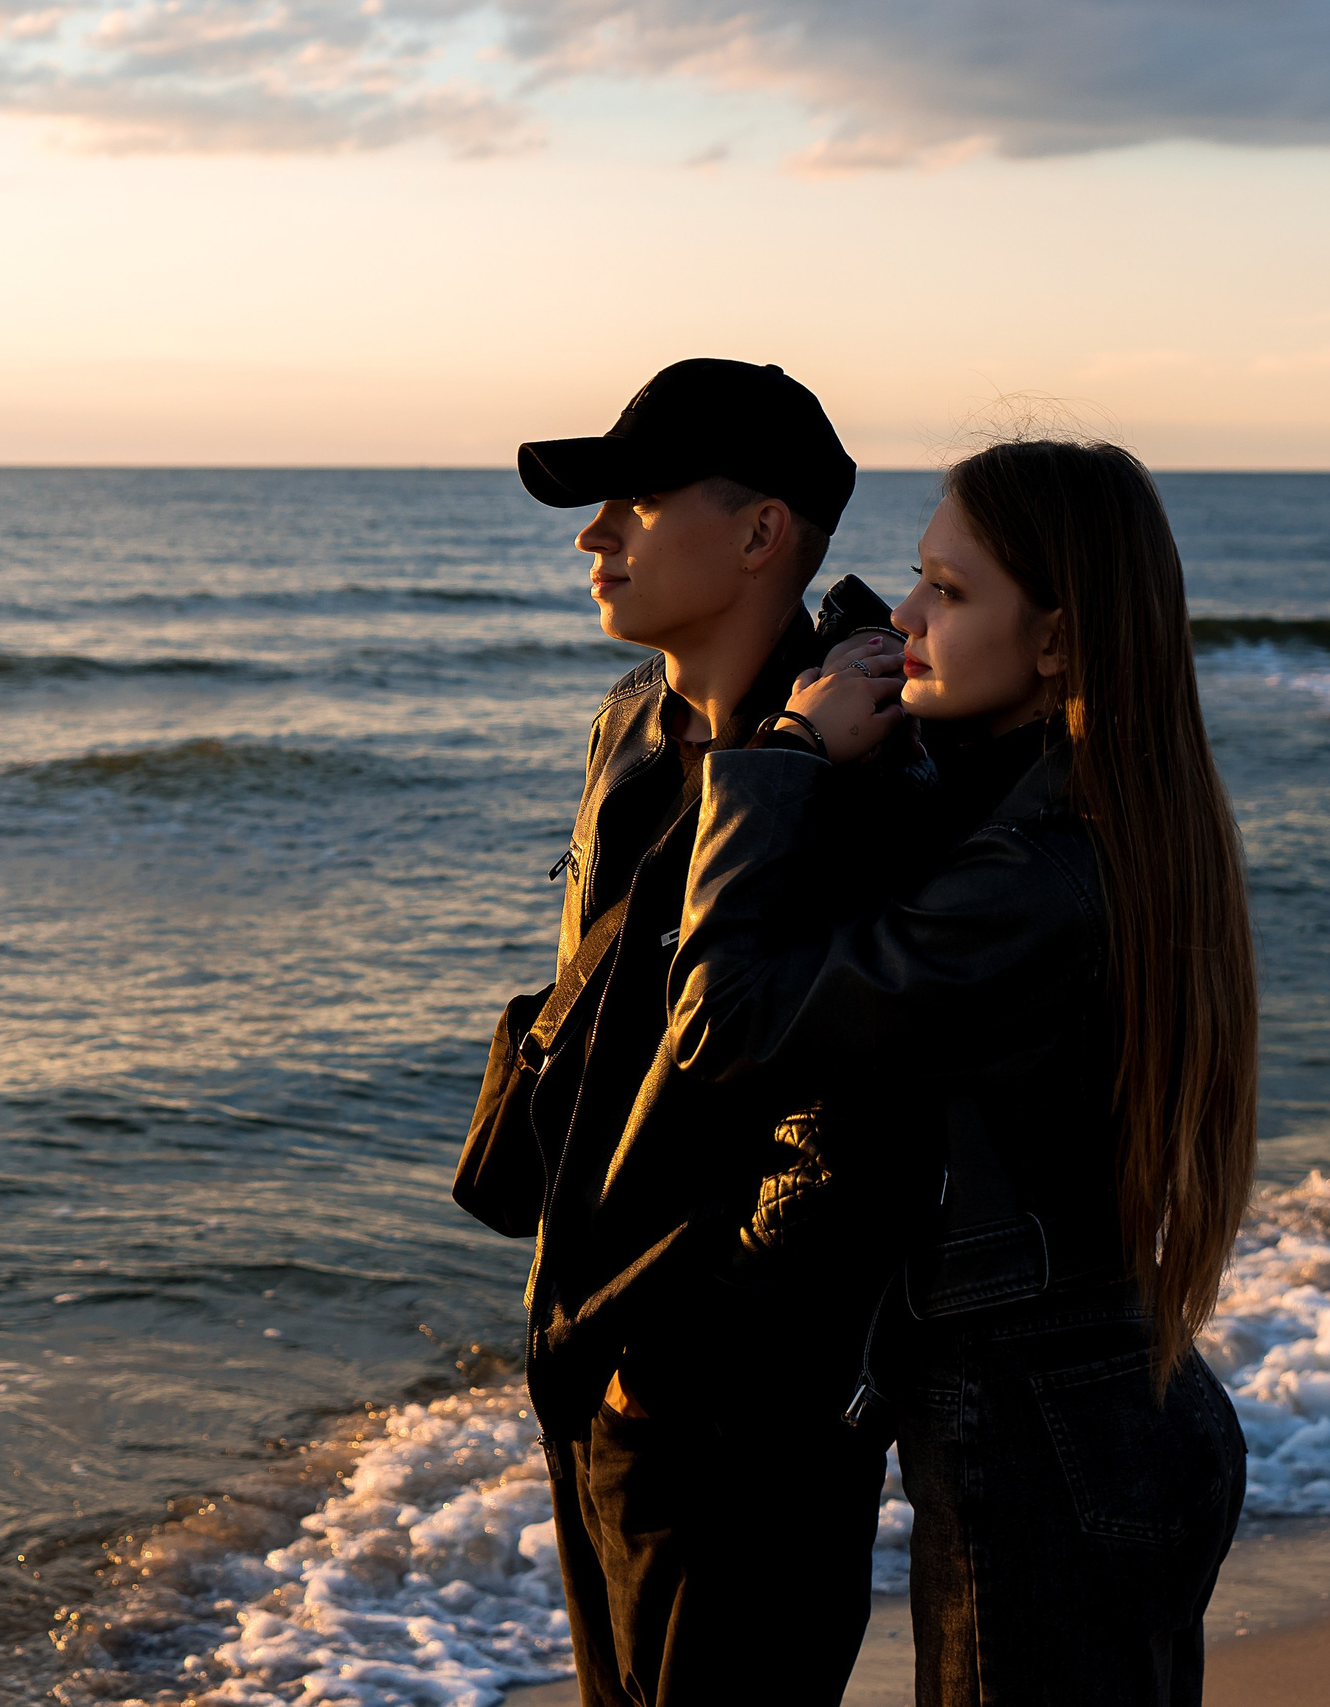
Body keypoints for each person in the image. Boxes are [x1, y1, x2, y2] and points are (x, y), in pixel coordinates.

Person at [668, 437, 1257, 1706]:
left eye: (950, 589)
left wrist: (774, 759)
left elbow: (725, 1023)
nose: (909, 618)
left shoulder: (1030, 885)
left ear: (1055, 641)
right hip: (1111, 1399)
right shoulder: (1086, 816)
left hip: (1042, 1439)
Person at [455, 358, 911, 1706]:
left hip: (740, 1405)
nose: (593, 534)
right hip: (602, 1362)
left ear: (765, 532)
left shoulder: (868, 756)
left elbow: (857, 1112)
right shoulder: (632, 728)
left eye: (636, 503)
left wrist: (706, 1341)